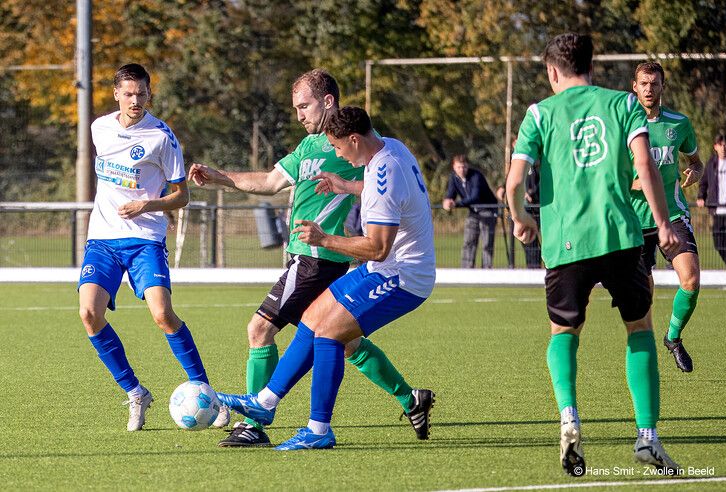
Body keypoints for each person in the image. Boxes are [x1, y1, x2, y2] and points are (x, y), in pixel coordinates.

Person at [188, 70, 432, 447]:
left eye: (305, 106)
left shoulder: (358, 150)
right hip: (340, 258)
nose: (299, 115)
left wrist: (326, 237)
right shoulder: (343, 147)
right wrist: (219, 177)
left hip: (327, 259)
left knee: (262, 329)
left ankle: (258, 422)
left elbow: (382, 224)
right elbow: (270, 183)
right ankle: (407, 398)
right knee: (335, 335)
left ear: (329, 103)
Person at [506, 34, 682, 476]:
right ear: (591, 65)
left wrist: (521, 219)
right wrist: (662, 224)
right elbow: (646, 168)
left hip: (565, 244)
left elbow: (512, 183)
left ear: (552, 72)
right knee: (639, 327)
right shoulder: (624, 105)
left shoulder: (538, 113)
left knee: (563, 332)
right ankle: (647, 437)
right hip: (621, 236)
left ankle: (569, 418)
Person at [78, 63, 228, 431]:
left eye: (141, 93)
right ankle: (134, 392)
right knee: (89, 315)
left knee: (162, 315)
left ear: (150, 95)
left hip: (145, 238)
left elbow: (181, 197)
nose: (135, 100)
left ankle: (207, 391)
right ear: (116, 94)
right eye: (128, 93)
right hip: (102, 237)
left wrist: (147, 204)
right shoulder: (99, 128)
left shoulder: (162, 137)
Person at [629, 62, 705, 373]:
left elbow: (697, 162)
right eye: (643, 83)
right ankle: (644, 359)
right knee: (642, 298)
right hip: (634, 220)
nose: (649, 89)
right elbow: (610, 175)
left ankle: (673, 337)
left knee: (691, 280)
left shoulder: (679, 123)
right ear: (635, 86)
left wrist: (695, 172)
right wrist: (638, 181)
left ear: (663, 87)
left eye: (654, 84)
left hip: (672, 213)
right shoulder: (622, 126)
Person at [443, 155, 499, 268]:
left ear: (467, 166)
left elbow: (475, 197)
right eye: (459, 167)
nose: (461, 170)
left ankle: (486, 269)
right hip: (473, 212)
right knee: (469, 241)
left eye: (464, 167)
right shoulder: (454, 178)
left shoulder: (476, 176)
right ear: (454, 167)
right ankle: (466, 269)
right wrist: (447, 201)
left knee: (487, 242)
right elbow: (451, 194)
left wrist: (456, 204)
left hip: (488, 210)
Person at [697, 134, 726, 269]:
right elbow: (704, 183)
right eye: (720, 144)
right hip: (717, 211)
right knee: (719, 243)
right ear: (715, 147)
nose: (723, 147)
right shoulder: (711, 163)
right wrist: (701, 197)